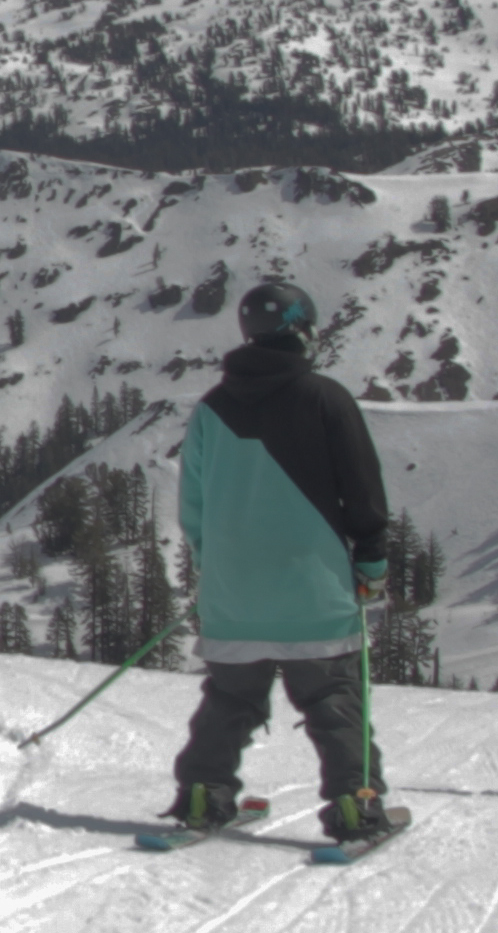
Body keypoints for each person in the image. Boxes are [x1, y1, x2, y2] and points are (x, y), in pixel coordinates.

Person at [172, 278, 403, 844]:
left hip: (234, 594)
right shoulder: (325, 398)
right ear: (302, 330)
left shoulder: (211, 409)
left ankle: (203, 795)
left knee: (229, 699)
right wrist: (372, 565)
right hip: (313, 593)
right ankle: (355, 808)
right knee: (333, 701)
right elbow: (362, 490)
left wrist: (214, 565)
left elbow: (193, 504)